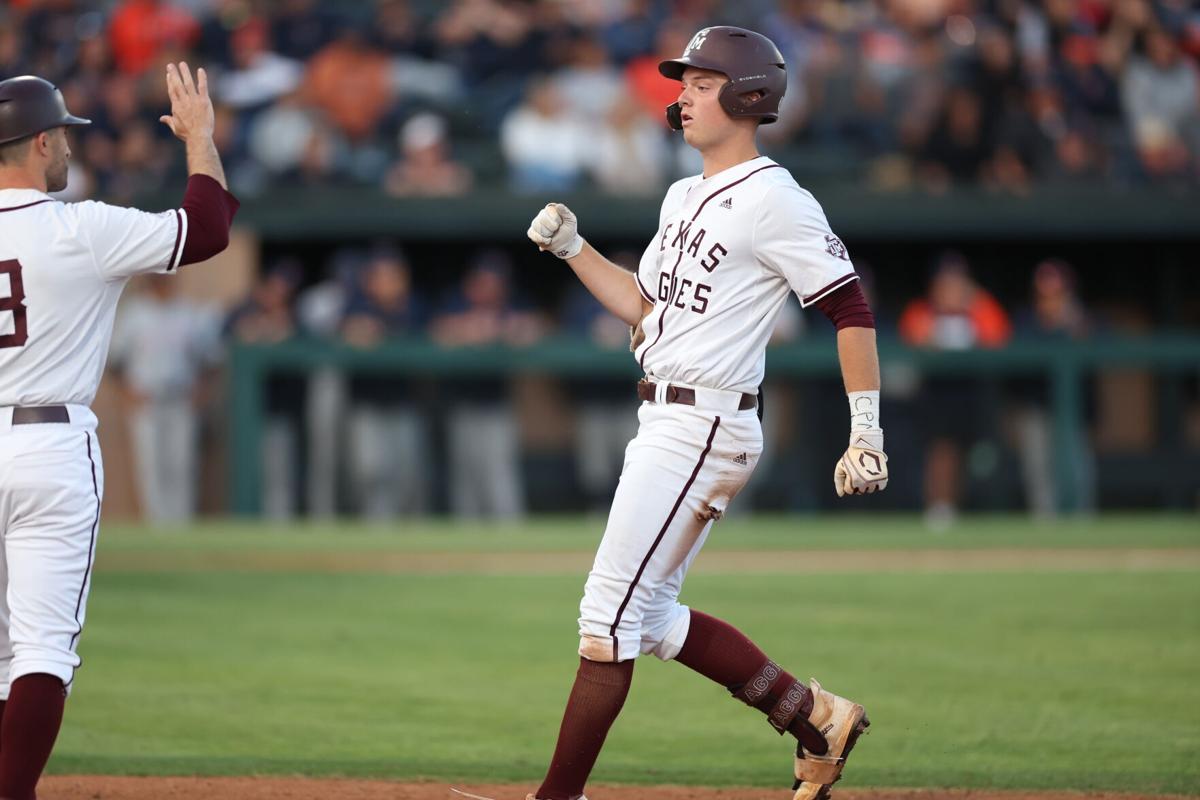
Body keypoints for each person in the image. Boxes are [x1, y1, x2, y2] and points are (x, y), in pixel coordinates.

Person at [522, 27, 887, 800]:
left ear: (749, 95)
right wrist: (575, 248)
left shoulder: (775, 199)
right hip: (665, 419)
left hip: (707, 422)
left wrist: (866, 429)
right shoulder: (682, 192)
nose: (682, 94)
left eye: (701, 81)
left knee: (604, 616)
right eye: (682, 81)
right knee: (647, 618)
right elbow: (642, 307)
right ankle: (816, 717)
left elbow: (850, 306)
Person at [0, 65, 238, 798]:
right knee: (40, 649)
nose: (69, 147)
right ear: (40, 143)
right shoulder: (80, 226)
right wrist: (200, 137)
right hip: (49, 443)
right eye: (63, 135)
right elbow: (207, 228)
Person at [110, 275, 222, 523]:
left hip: (180, 397)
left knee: (181, 466)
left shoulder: (188, 313)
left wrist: (201, 392)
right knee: (151, 468)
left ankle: (181, 526)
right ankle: (156, 526)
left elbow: (211, 360)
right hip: (146, 398)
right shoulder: (135, 314)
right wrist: (127, 393)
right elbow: (115, 362)